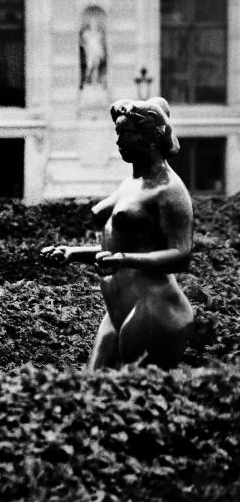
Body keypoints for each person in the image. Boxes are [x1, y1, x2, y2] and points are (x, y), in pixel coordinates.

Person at [41, 97, 194, 370]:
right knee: (94, 389)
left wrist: (124, 259)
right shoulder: (129, 183)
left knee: (133, 398)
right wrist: (73, 253)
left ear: (148, 137)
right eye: (118, 133)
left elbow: (181, 255)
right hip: (117, 307)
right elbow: (120, 248)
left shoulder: (170, 190)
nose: (118, 141)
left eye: (125, 133)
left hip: (154, 308)